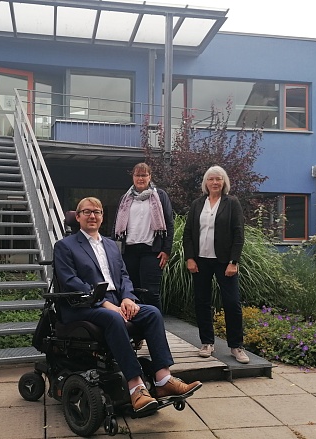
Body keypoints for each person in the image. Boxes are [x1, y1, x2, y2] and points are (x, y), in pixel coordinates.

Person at [54, 197, 201, 413]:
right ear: (78, 217)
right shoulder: (65, 246)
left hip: (116, 301)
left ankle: (163, 380)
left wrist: (127, 299)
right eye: (86, 212)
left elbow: (123, 277)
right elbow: (71, 282)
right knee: (113, 318)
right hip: (82, 306)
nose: (92, 215)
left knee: (151, 313)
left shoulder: (111, 245)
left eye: (97, 211)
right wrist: (105, 304)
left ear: (102, 217)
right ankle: (136, 388)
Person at [182, 165, 249, 364]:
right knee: (202, 301)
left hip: (224, 262)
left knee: (232, 303)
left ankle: (236, 346)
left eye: (218, 179)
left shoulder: (232, 203)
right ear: (206, 183)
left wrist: (233, 261)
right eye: (211, 179)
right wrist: (190, 258)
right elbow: (188, 233)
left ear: (224, 182)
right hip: (200, 261)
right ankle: (206, 343)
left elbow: (239, 234)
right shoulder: (197, 204)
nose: (215, 182)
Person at [113, 163, 174, 312]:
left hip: (152, 251)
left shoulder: (159, 196)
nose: (140, 178)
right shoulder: (125, 198)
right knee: (130, 293)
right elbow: (116, 227)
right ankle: (136, 330)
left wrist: (166, 250)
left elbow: (169, 223)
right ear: (133, 177)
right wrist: (114, 253)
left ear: (150, 177)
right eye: (137, 175)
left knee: (151, 293)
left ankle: (156, 329)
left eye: (144, 175)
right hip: (129, 252)